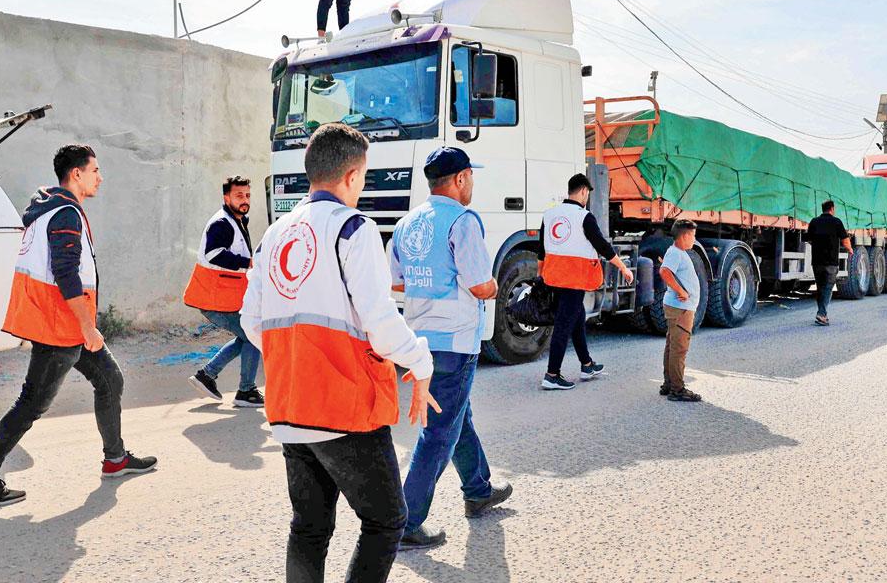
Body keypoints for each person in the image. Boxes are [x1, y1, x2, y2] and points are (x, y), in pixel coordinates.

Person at [241, 122, 438, 583]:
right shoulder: (354, 229)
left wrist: (300, 354)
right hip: (343, 406)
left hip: (290, 404)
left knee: (309, 528)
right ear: (351, 177)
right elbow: (381, 322)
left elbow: (254, 323)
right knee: (387, 519)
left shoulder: (274, 234)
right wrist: (421, 359)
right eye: (364, 178)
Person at [0, 145, 156, 506]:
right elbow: (66, 274)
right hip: (61, 326)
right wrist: (88, 326)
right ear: (76, 174)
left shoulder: (50, 207)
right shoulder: (65, 213)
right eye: (95, 170)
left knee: (110, 379)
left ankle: (116, 459)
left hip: (64, 324)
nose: (100, 177)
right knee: (31, 403)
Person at [389, 147, 513, 550]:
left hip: (419, 340)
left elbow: (398, 282)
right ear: (460, 179)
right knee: (438, 432)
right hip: (456, 342)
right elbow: (480, 284)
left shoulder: (407, 223)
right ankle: (406, 521)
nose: (472, 183)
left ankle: (479, 489)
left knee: (459, 414)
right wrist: (495, 287)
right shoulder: (462, 221)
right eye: (470, 177)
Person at [537, 173, 634, 391]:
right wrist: (623, 268)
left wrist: (540, 276)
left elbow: (541, 250)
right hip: (574, 278)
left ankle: (587, 365)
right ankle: (552, 375)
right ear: (583, 192)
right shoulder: (584, 216)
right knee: (563, 325)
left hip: (554, 277)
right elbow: (602, 246)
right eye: (587, 193)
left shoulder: (549, 214)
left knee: (577, 318)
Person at [184, 176, 264, 407]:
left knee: (248, 334)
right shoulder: (222, 223)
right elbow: (214, 254)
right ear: (226, 197)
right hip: (213, 297)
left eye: (247, 195)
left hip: (223, 297)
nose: (244, 200)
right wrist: (247, 262)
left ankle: (207, 375)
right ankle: (246, 391)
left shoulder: (237, 220)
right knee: (252, 333)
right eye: (239, 196)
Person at [659, 220, 702, 402]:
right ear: (684, 236)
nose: (694, 239)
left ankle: (669, 384)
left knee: (672, 346)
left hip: (680, 308)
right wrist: (681, 291)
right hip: (680, 308)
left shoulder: (678, 252)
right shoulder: (676, 253)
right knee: (679, 348)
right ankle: (677, 389)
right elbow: (665, 272)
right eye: (692, 235)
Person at [805, 200, 853, 326]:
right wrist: (850, 250)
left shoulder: (814, 222)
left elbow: (809, 240)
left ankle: (822, 313)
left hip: (817, 261)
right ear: (832, 208)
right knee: (828, 287)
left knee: (820, 287)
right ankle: (822, 314)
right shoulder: (837, 222)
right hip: (831, 262)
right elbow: (845, 240)